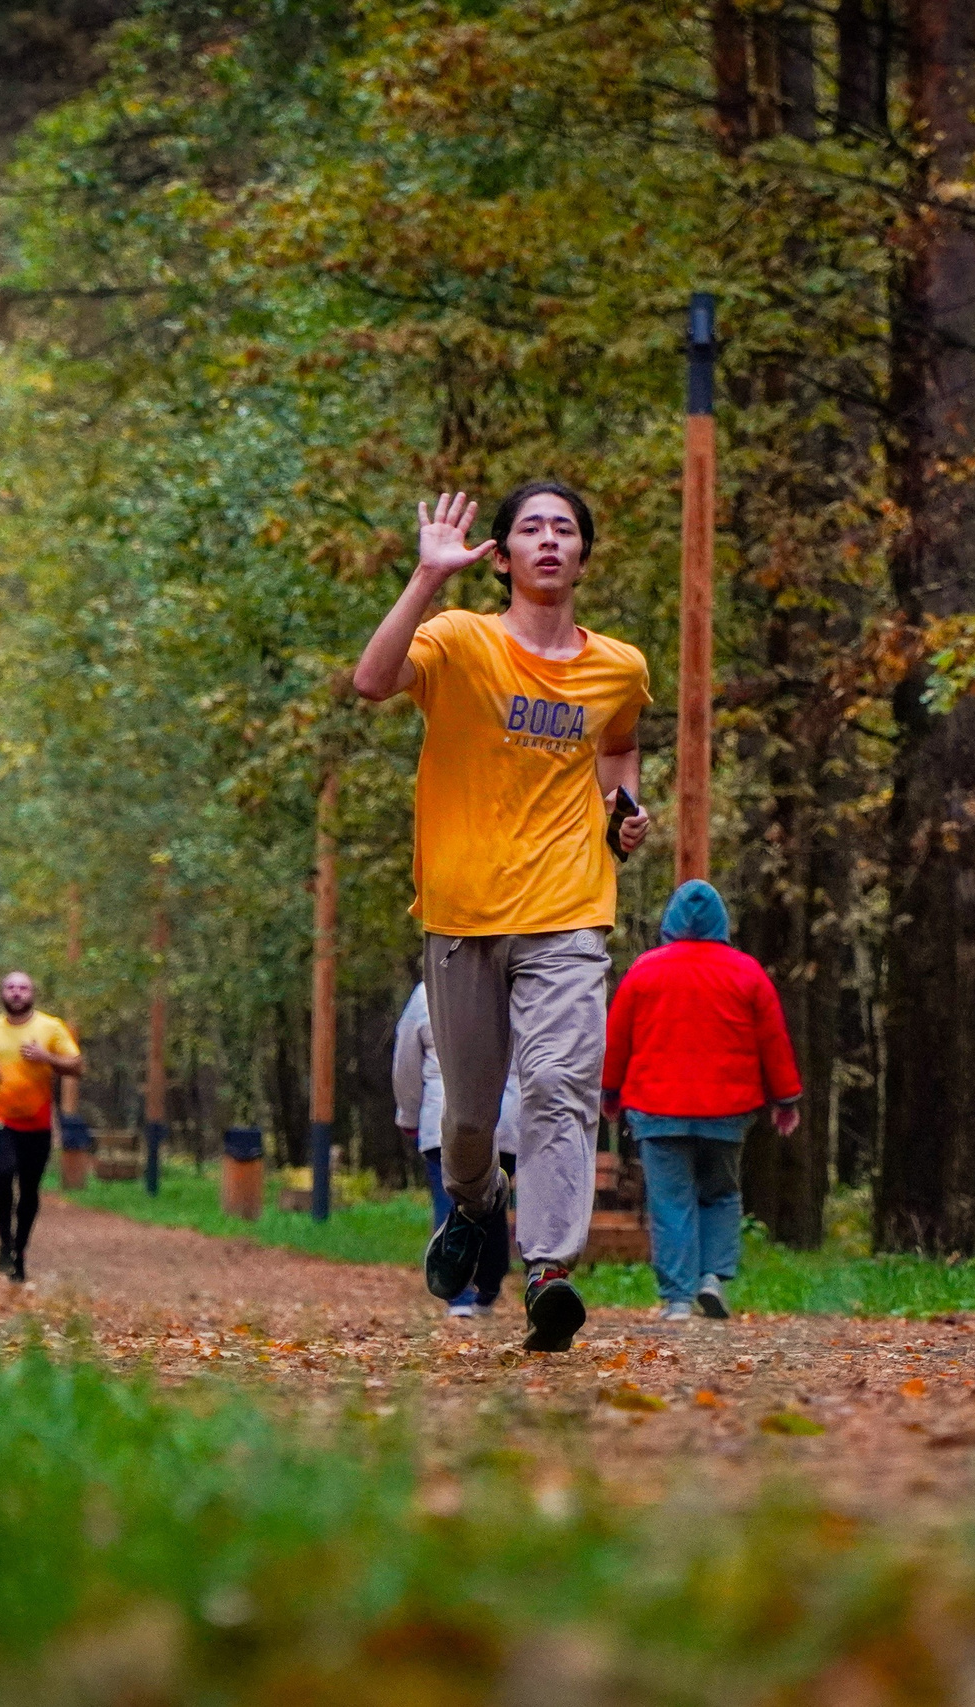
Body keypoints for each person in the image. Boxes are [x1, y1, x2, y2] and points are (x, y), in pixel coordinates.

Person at [353, 481, 653, 1353]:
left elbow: (620, 744)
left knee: (561, 1089)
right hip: (461, 910)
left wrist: (621, 808)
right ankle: (476, 1207)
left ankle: (550, 1268)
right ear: (505, 554)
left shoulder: (619, 667)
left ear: (584, 556)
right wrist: (424, 579)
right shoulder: (457, 641)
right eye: (531, 528)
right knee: (473, 1116)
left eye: (565, 529)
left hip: (568, 908)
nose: (549, 541)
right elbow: (372, 681)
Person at [601, 880, 802, 1322]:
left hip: (657, 1108)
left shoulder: (644, 971)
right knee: (720, 1193)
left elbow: (617, 1038)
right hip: (727, 1110)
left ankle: (676, 1299)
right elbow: (773, 1040)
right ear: (721, 922)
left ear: (671, 920)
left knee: (670, 1200)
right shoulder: (747, 972)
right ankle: (713, 1277)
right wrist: (784, 1100)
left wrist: (611, 1092)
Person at [391, 980, 523, 1318]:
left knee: (452, 1201)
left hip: (443, 1119)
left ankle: (459, 1292)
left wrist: (408, 1111)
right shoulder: (514, 989)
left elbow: (407, 1056)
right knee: (493, 1201)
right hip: (503, 1119)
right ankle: (487, 1288)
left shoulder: (428, 992)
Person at [0, 970, 82, 1282]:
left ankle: (20, 1249)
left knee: (29, 1190)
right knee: (3, 1175)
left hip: (37, 1122)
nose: (17, 993)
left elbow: (77, 1066)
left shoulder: (50, 1027)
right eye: (11, 987)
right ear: (2, 993)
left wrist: (46, 1057)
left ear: (33, 993)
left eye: (23, 988)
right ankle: (4, 1241)